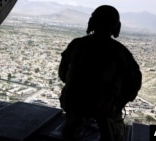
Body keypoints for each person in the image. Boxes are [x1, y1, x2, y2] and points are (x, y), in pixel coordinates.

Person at [58, 5, 142, 141]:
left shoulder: (76, 45)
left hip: (73, 104)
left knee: (70, 129)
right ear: (116, 26)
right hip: (105, 110)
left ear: (92, 22)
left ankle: (73, 125)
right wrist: (118, 102)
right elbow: (134, 83)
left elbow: (63, 74)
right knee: (115, 132)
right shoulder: (120, 52)